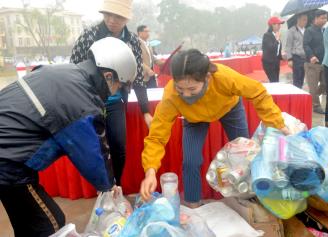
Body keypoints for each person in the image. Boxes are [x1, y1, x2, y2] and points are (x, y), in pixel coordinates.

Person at [0, 37, 134, 237]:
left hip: (9, 156)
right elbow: (94, 154)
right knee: (50, 225)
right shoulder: (83, 101)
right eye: (119, 86)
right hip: (8, 163)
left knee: (27, 221)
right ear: (108, 76)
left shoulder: (63, 73)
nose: (117, 92)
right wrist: (109, 185)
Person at [139, 49, 290, 208]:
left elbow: (258, 92)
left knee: (244, 156)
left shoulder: (224, 77)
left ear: (207, 78)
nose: (186, 95)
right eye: (180, 89)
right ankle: (193, 204)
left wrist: (278, 124)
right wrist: (150, 171)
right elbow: (156, 136)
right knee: (191, 161)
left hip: (228, 108)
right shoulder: (171, 96)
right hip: (194, 118)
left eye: (192, 89)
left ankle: (246, 199)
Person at [70, 0, 152, 186]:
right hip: (91, 101)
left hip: (115, 100)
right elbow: (73, 68)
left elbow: (137, 76)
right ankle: (104, 188)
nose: (112, 20)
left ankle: (117, 186)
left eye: (118, 16)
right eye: (108, 15)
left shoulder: (132, 40)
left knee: (118, 146)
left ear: (126, 18)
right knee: (95, 148)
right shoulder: (89, 35)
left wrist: (145, 110)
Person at [303, 10, 328, 114]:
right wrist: (311, 56)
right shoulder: (309, 30)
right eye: (322, 18)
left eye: (326, 18)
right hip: (312, 63)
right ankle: (316, 106)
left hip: (324, 62)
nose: (325, 20)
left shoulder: (325, 30)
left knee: (326, 84)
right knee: (313, 86)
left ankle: (312, 97)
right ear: (316, 18)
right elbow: (305, 44)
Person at [285, 13, 308, 88]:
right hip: (296, 58)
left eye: (306, 20)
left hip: (305, 58)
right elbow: (288, 46)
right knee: (297, 79)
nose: (305, 22)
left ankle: (300, 93)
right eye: (303, 20)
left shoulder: (307, 30)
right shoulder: (292, 30)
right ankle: (297, 95)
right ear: (298, 19)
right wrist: (289, 59)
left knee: (302, 78)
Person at [262, 16, 285, 83]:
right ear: (272, 25)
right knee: (274, 82)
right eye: (278, 24)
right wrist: (277, 39)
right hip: (269, 63)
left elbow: (277, 50)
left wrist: (282, 57)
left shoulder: (276, 34)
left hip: (276, 62)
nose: (279, 26)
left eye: (280, 24)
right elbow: (270, 48)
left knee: (276, 82)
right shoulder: (267, 35)